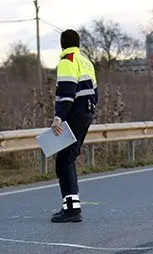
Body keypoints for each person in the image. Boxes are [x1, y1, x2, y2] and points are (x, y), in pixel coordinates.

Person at [49, 29, 98, 223]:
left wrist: (58, 118)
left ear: (62, 44)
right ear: (77, 43)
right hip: (86, 113)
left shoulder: (67, 61)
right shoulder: (86, 61)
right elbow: (95, 92)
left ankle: (71, 209)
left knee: (64, 160)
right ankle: (72, 206)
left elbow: (67, 92)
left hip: (74, 114)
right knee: (68, 158)